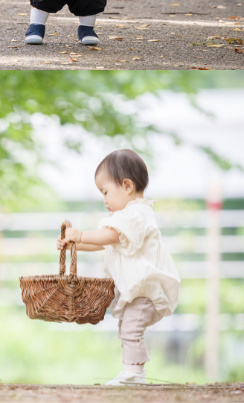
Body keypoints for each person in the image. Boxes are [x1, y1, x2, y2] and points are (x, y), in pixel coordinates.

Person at [57, 150, 180, 386]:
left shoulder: (135, 214)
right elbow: (107, 243)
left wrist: (81, 234)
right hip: (137, 292)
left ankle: (134, 374)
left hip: (145, 292)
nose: (104, 199)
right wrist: (75, 244)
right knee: (126, 329)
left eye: (105, 191)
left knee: (131, 329)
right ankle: (132, 372)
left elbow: (109, 236)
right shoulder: (127, 217)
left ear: (126, 186)